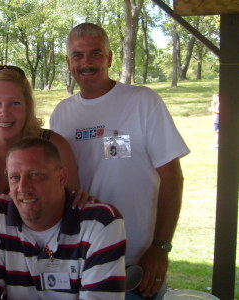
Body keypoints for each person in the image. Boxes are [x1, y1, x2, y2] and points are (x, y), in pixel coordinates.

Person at [50, 23, 190, 300]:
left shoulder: (142, 102)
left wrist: (160, 247)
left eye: (95, 54)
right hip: (80, 256)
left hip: (136, 261)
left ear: (110, 58)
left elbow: (173, 177)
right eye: (78, 55)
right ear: (68, 62)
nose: (86, 63)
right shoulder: (62, 114)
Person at [0, 137, 126, 299]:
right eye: (14, 177)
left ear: (61, 177)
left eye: (35, 175)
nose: (22, 187)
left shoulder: (100, 224)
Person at [0, 65, 89, 227]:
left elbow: (73, 199)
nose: (4, 112)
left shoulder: (55, 145)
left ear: (27, 107)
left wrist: (81, 200)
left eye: (15, 103)